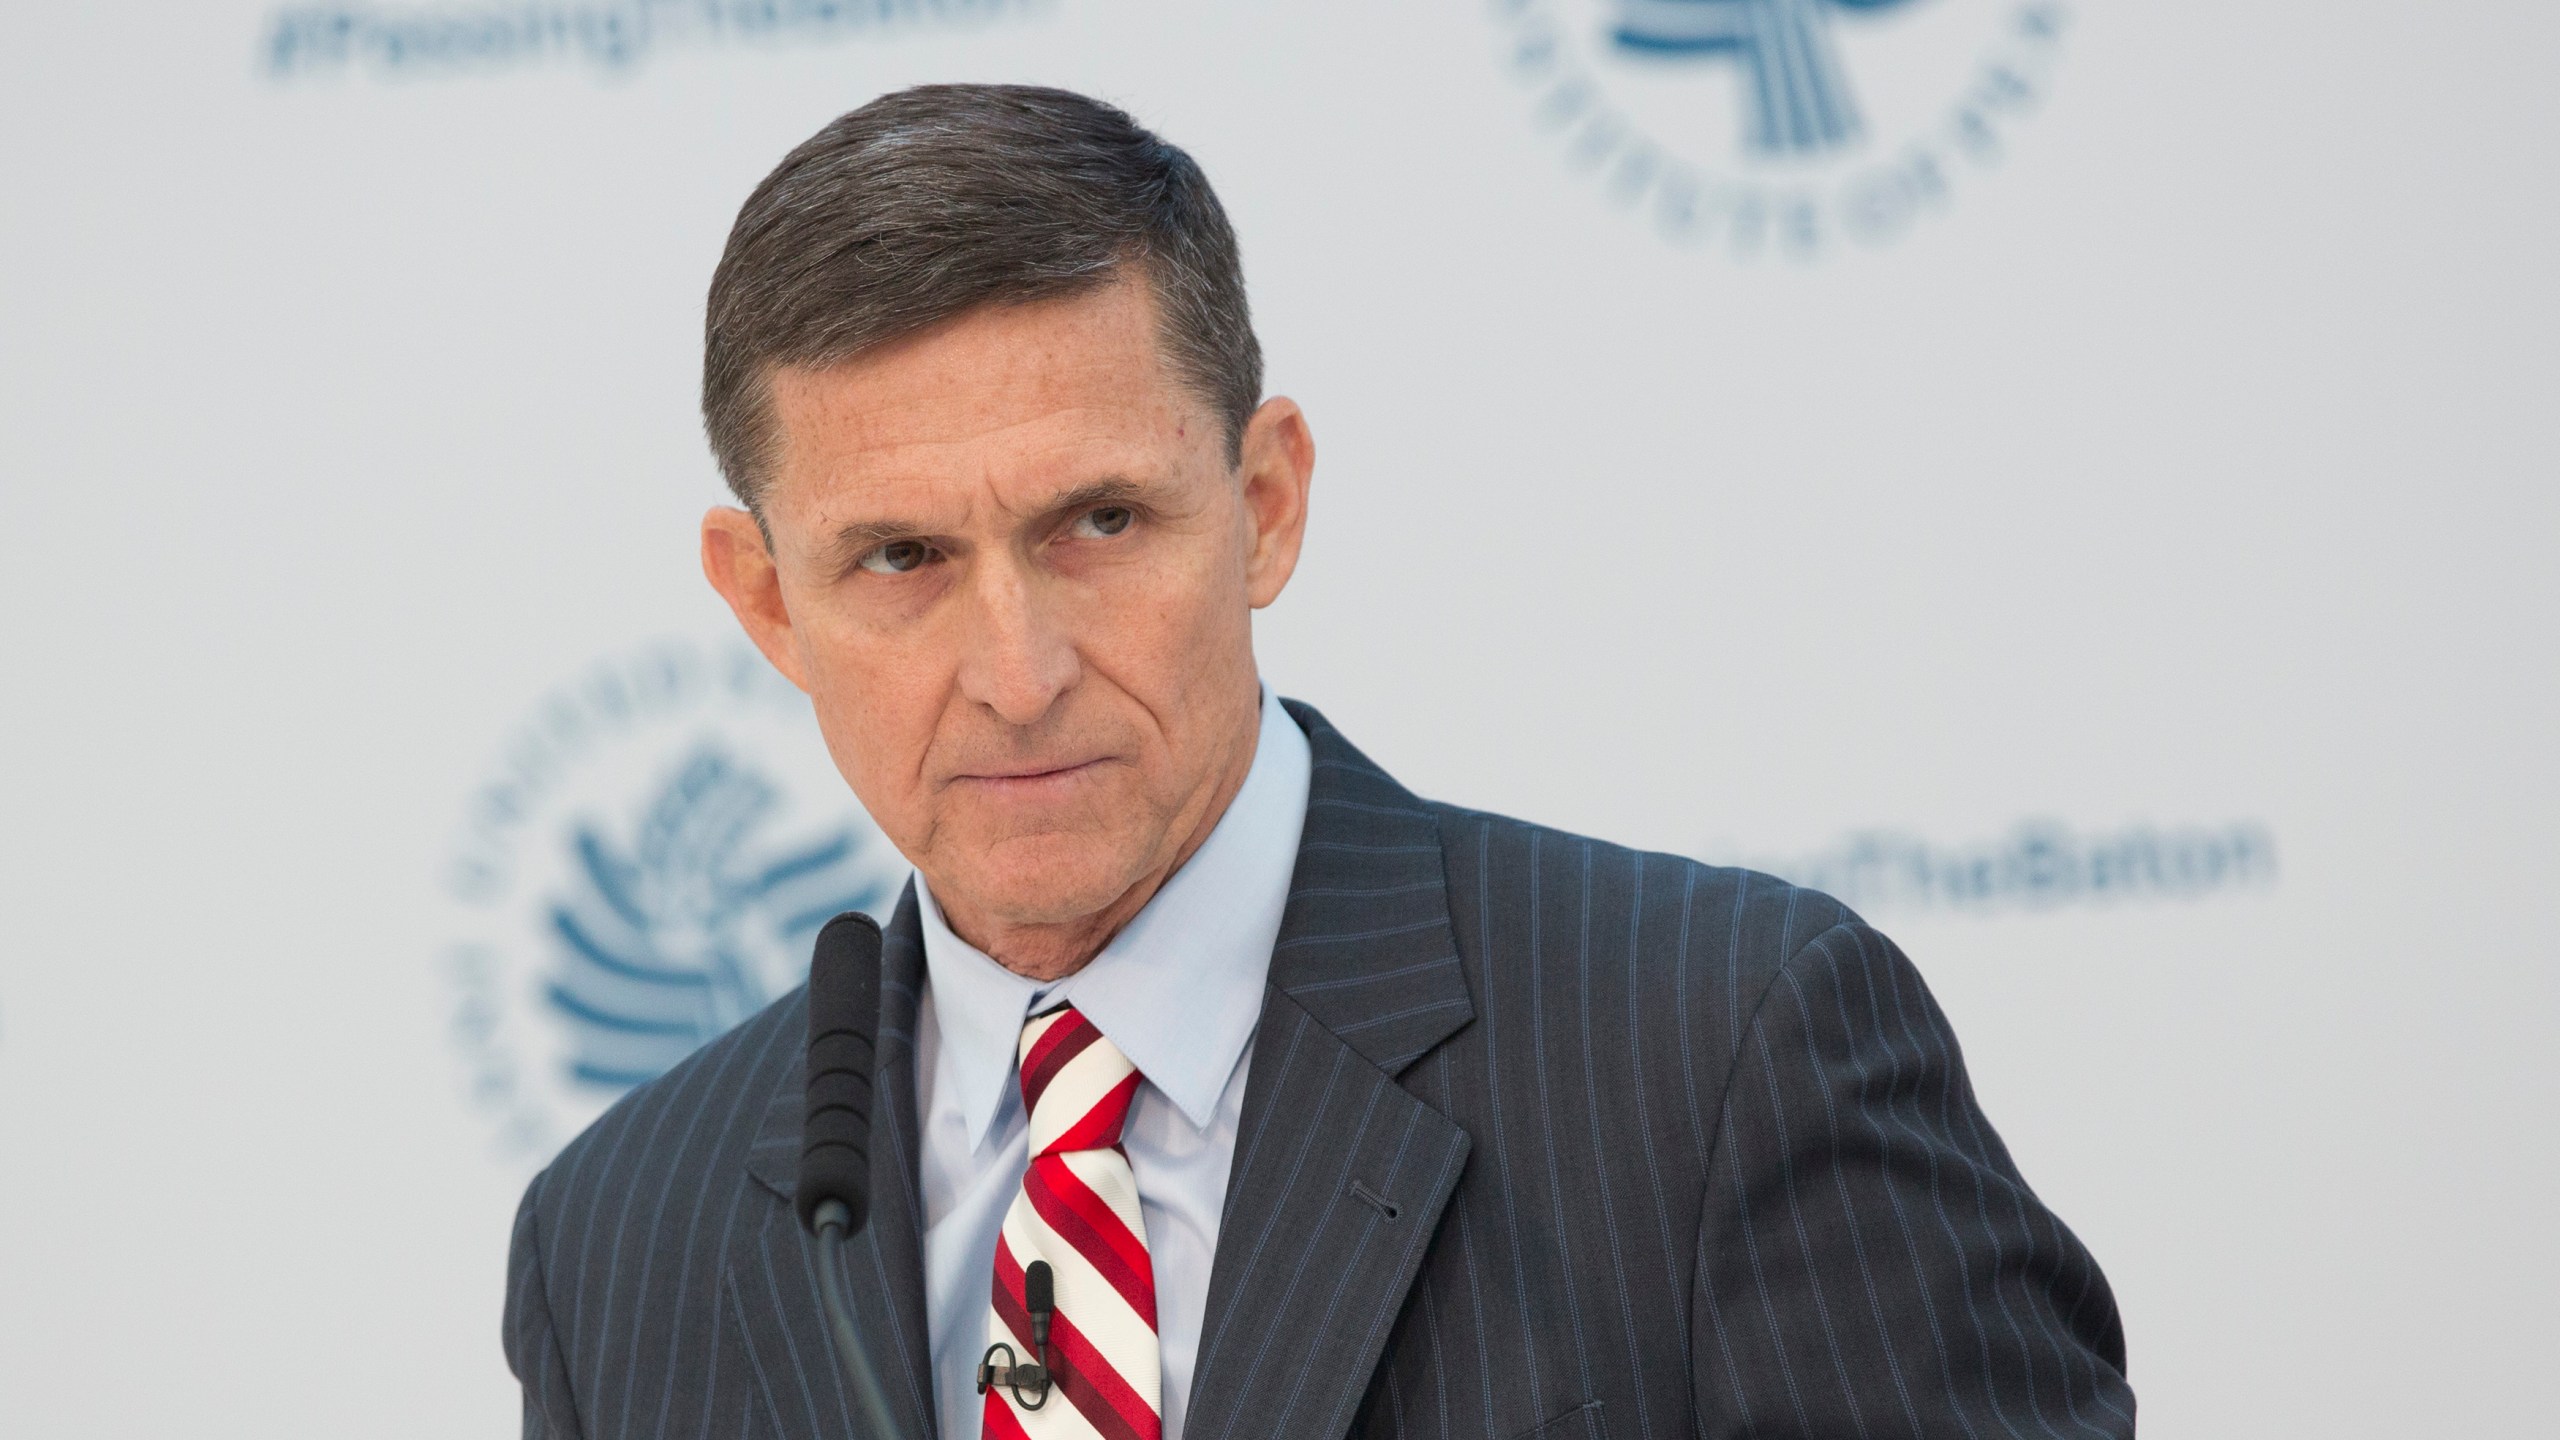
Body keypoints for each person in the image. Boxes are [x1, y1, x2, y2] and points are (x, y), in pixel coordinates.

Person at [503, 83, 2134, 1440]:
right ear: (766, 601)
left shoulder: (1720, 1054)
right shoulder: (618, 1244)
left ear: (1267, 504)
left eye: (1099, 522)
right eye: (901, 559)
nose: (1017, 676)